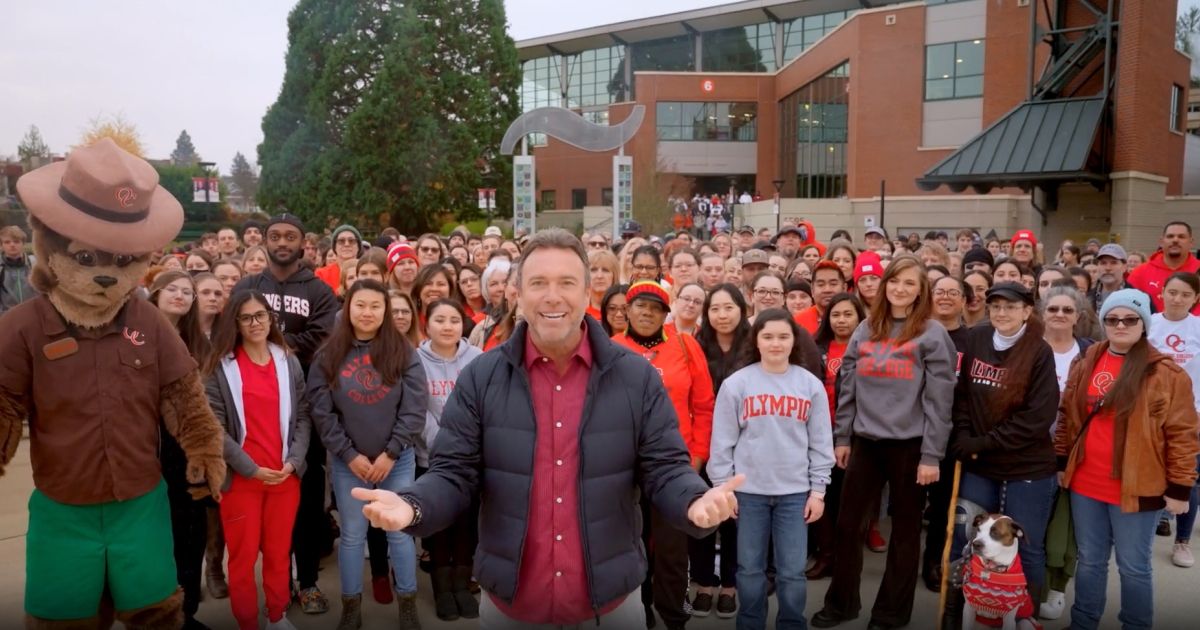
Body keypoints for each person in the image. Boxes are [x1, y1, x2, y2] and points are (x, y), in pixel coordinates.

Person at [348, 228, 740, 630]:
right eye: (538, 283)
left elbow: (665, 467)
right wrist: (412, 505)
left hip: (610, 606)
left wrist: (694, 500)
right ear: (518, 294)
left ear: (586, 293)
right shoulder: (481, 377)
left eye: (566, 283)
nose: (553, 296)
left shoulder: (635, 377)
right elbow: (452, 473)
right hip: (512, 608)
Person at [812, 256, 956, 630]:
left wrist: (931, 455)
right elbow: (848, 386)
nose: (900, 289)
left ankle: (891, 613)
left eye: (910, 283)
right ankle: (841, 604)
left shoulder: (932, 334)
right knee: (847, 526)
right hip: (866, 442)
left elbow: (940, 401)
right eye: (894, 281)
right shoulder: (865, 329)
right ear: (884, 285)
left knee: (905, 534)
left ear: (921, 290)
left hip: (911, 447)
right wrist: (843, 436)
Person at [1055, 289, 1199, 630]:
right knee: (1090, 560)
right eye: (1112, 319)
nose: (1120, 325)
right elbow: (1067, 416)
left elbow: (1183, 433)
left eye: (1130, 319)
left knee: (1134, 566)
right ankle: (1083, 622)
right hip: (1086, 483)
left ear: (1144, 323)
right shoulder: (1087, 359)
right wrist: (1062, 461)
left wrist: (1180, 488)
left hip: (1138, 486)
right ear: (1103, 322)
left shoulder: (1167, 373)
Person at [232, 213, 338, 614]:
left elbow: (320, 337)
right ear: (264, 241)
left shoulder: (319, 290)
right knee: (257, 504)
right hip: (254, 411)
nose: (281, 242)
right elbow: (233, 333)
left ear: (302, 243)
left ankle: (307, 582)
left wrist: (267, 343)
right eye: (274, 235)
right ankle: (273, 585)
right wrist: (273, 344)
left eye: (289, 236)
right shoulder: (246, 287)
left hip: (303, 407)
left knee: (306, 502)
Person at [309, 279, 427, 630]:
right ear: (347, 309)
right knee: (352, 535)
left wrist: (391, 453)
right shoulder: (328, 354)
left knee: (400, 533)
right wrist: (349, 455)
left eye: (376, 306)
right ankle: (351, 605)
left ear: (385, 311)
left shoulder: (403, 351)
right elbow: (322, 411)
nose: (367, 312)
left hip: (397, 460)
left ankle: (407, 602)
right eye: (360, 305)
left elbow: (414, 408)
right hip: (350, 463)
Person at [709, 308, 835, 630]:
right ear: (756, 340)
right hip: (748, 495)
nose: (775, 343)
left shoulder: (810, 385)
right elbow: (722, 443)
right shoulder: (737, 384)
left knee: (791, 571)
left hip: (795, 494)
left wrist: (818, 491)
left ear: (794, 341)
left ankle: (791, 623)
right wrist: (724, 488)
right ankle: (750, 623)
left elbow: (821, 443)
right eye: (767, 336)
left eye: (783, 336)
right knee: (749, 569)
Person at [943, 282, 1059, 624]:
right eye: (995, 306)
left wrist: (984, 441)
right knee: (967, 539)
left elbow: (1037, 417)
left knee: (1028, 546)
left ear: (1027, 311)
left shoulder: (1039, 351)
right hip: (980, 465)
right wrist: (964, 434)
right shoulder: (977, 339)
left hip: (1027, 467)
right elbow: (963, 395)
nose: (1002, 312)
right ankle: (957, 612)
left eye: (1010, 306)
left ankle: (1024, 617)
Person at [203, 291, 310, 630]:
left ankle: (277, 616)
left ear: (270, 318)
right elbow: (215, 428)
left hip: (284, 478)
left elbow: (303, 416)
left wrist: (294, 461)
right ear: (234, 323)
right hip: (242, 481)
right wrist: (250, 468)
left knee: (279, 554)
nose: (255, 323)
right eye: (246, 317)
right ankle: (247, 622)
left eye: (261, 315)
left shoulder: (287, 360)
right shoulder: (220, 367)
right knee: (243, 558)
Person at [613, 279, 716, 630]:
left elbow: (704, 405)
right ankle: (639, 608)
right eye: (640, 306)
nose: (647, 313)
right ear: (627, 310)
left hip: (674, 464)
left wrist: (698, 455)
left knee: (673, 547)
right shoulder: (611, 348)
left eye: (656, 308)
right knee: (631, 542)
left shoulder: (685, 345)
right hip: (624, 466)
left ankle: (674, 613)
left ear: (665, 315)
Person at [416, 298, 485, 621]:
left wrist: (465, 444)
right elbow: (416, 410)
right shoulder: (415, 360)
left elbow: (485, 405)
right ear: (426, 325)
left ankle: (462, 585)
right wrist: (444, 444)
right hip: (432, 457)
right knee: (440, 525)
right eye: (440, 320)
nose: (447, 327)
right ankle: (442, 589)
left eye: (454, 320)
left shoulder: (478, 359)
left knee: (467, 524)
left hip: (471, 456)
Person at [691, 283, 751, 617]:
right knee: (703, 513)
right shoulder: (697, 346)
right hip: (704, 443)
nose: (722, 315)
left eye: (729, 307)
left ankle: (729, 585)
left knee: (734, 517)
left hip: (745, 445)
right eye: (714, 308)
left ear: (742, 309)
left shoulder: (754, 347)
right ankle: (703, 582)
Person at [809, 293, 867, 581]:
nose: (841, 320)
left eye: (848, 314)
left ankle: (845, 559)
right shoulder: (815, 347)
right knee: (824, 497)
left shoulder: (869, 347)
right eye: (835, 314)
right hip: (820, 433)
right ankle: (826, 554)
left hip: (855, 435)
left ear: (859, 317)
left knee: (849, 502)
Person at [1147, 272, 1200, 567]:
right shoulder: (1149, 323)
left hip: (1191, 414)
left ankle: (1182, 541)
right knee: (1154, 473)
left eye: (1185, 294)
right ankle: (1153, 525)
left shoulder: (1198, 327)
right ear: (1162, 293)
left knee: (1188, 478)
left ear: (1196, 298)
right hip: (1151, 413)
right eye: (1172, 292)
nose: (1178, 299)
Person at [1128, 222, 1200, 313]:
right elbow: (1130, 302)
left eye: (1181, 236)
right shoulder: (1140, 272)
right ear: (1161, 241)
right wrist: (1148, 313)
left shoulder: (1198, 269)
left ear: (1191, 242)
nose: (1175, 240)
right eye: (1170, 236)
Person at [794, 261, 848, 334]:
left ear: (844, 288)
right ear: (812, 290)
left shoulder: (855, 320)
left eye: (833, 284)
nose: (827, 290)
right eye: (821, 284)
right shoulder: (798, 323)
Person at [315, 225, 363, 291]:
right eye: (341, 241)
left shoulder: (368, 271)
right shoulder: (321, 274)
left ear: (358, 247)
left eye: (351, 241)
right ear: (335, 247)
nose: (346, 244)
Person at [0, 225, 35, 313]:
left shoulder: (34, 263)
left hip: (33, 314)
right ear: (1, 246)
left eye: (16, 241)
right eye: (7, 242)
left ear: (23, 243)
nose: (12, 245)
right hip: (7, 316)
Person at [1089, 243, 1130, 313]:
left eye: (1114, 263)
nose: (1108, 268)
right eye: (1103, 263)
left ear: (1124, 267)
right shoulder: (1087, 297)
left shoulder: (1138, 298)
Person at [587, 248, 619, 320]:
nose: (599, 276)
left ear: (614, 275)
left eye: (605, 270)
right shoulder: (578, 311)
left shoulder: (623, 311)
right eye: (593, 270)